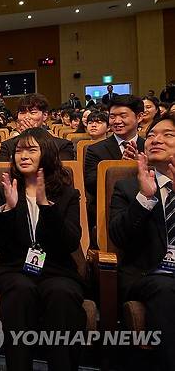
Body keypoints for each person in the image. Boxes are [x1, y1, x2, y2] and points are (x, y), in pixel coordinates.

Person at [0, 128, 85, 370]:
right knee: (20, 289)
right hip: (15, 268)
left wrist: (47, 207)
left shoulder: (67, 194)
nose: (23, 156)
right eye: (19, 150)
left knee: (62, 293)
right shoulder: (5, 190)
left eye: (31, 150)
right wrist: (9, 210)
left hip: (56, 269)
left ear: (47, 154)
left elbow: (71, 242)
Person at [109, 114, 175, 370]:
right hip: (149, 275)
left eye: (168, 135)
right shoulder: (127, 187)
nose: (156, 140)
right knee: (166, 287)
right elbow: (119, 237)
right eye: (152, 135)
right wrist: (145, 199)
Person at [84, 95, 145, 248]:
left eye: (123, 116)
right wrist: (120, 169)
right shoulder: (95, 149)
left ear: (139, 117)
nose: (117, 121)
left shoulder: (149, 147)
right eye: (112, 117)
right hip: (107, 211)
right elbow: (90, 184)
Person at [0, 94, 74, 162]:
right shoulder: (7, 146)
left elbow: (60, 171)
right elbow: (3, 170)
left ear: (45, 115)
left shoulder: (62, 145)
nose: (26, 117)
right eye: (22, 113)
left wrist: (34, 136)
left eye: (33, 113)